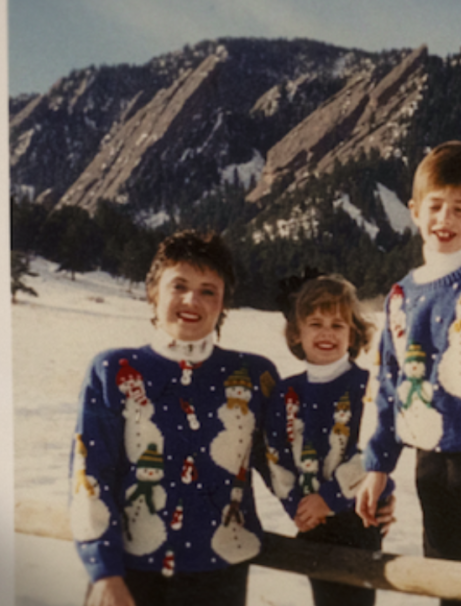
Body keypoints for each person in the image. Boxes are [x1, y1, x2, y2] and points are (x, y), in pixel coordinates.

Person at [69, 230, 280, 606]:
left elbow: (285, 465)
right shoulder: (113, 370)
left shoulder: (253, 376)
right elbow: (90, 475)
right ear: (153, 292)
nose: (191, 300)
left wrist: (360, 493)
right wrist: (104, 571)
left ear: (223, 304)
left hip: (219, 578)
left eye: (208, 290)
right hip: (127, 576)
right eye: (178, 285)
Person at [355, 141, 461, 605]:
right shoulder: (400, 295)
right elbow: (390, 386)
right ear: (414, 210)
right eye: (435, 206)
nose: (444, 219)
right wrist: (378, 465)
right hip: (430, 464)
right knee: (447, 580)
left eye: (460, 209)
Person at [265, 274, 394, 606]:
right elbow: (276, 455)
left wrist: (330, 498)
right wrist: (297, 506)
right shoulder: (287, 393)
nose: (327, 333)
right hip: (312, 521)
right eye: (315, 324)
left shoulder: (368, 385)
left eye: (338, 325)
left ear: (353, 333)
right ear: (297, 332)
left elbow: (376, 450)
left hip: (357, 518)